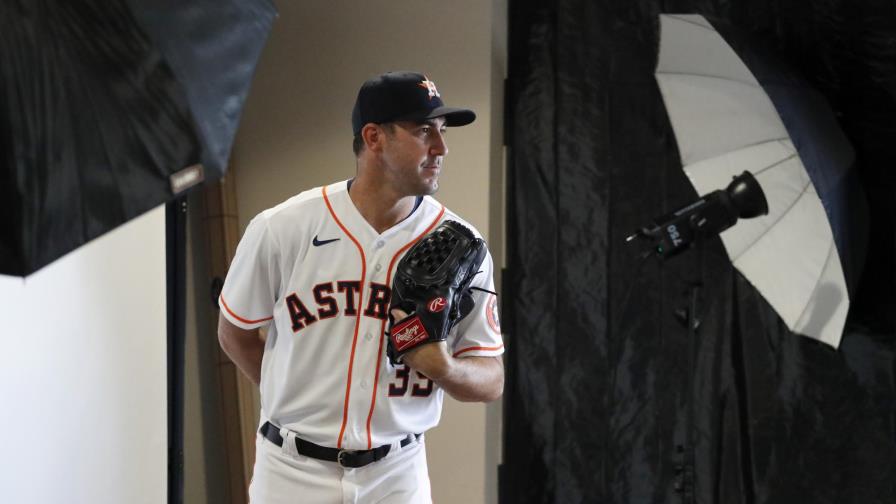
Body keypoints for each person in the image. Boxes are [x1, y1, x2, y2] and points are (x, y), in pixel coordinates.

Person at [217, 71, 505, 503]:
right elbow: (234, 333)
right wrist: (291, 391)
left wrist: (444, 368)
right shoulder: (283, 228)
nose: (441, 148)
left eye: (442, 132)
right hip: (291, 473)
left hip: (397, 475)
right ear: (374, 137)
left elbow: (491, 379)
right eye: (423, 130)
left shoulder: (462, 246)